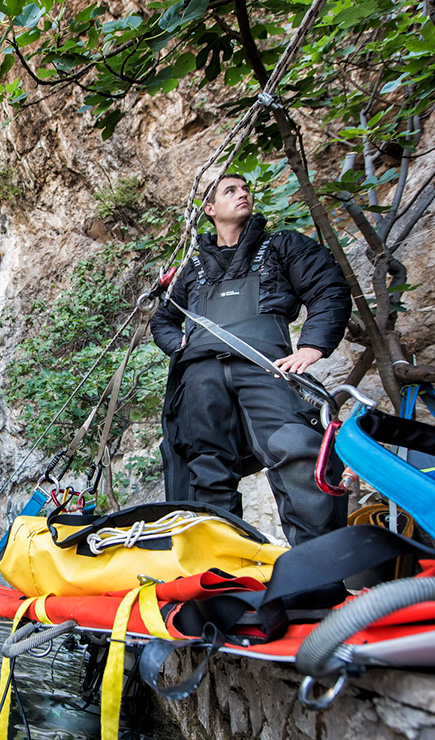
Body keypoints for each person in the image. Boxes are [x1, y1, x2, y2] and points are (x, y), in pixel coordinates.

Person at [150, 174, 351, 545]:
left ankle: (319, 570)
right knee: (205, 470)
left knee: (298, 448)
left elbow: (328, 288)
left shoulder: (284, 246)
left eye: (245, 189)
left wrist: (312, 346)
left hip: (265, 366)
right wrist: (180, 343)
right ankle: (219, 577)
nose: (243, 194)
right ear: (210, 210)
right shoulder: (192, 269)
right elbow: (163, 318)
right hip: (199, 378)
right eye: (231, 191)